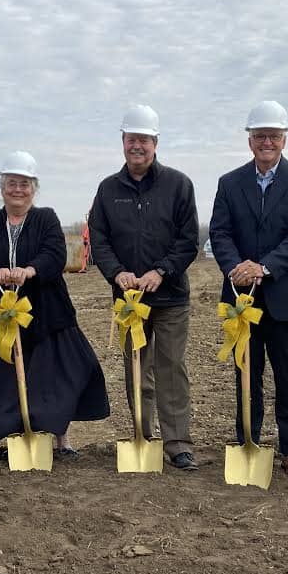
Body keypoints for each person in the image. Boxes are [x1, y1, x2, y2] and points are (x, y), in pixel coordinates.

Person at [0, 151, 108, 453]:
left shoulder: (46, 218)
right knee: (2, 376)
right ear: (2, 187)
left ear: (34, 188)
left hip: (44, 312)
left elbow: (55, 253)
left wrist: (30, 271)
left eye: (25, 184)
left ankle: (60, 438)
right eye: (12, 183)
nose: (18, 189)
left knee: (52, 377)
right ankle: (14, 434)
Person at [209, 102, 288, 480]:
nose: (267, 142)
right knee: (246, 373)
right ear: (250, 140)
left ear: (284, 139)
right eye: (259, 136)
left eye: (273, 136)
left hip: (285, 295)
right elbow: (219, 232)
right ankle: (247, 444)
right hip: (241, 297)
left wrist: (264, 266)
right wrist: (234, 268)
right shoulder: (229, 182)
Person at [88, 105, 199, 470]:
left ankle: (177, 443)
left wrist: (161, 272)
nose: (137, 146)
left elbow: (187, 240)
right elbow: (99, 240)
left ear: (155, 143)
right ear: (123, 141)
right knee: (136, 367)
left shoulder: (178, 185)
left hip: (169, 298)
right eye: (131, 139)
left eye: (144, 140)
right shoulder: (108, 190)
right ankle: (142, 435)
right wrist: (116, 273)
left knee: (170, 369)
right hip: (129, 300)